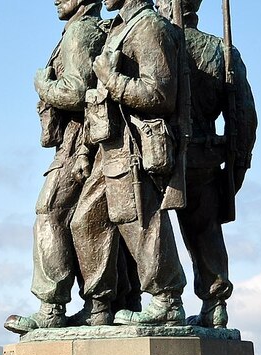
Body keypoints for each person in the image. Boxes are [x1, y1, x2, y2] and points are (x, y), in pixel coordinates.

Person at [70, 0, 188, 327]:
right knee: (85, 221)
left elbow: (161, 94)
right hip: (107, 145)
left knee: (141, 220)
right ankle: (98, 305)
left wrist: (113, 80)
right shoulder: (120, 28)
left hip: (134, 143)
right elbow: (95, 97)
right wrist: (84, 149)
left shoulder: (148, 27)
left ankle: (166, 300)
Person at [4, 0, 107, 334]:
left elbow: (77, 92)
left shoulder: (80, 31)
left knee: (50, 210)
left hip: (79, 140)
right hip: (87, 139)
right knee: (91, 219)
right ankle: (102, 304)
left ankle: (52, 307)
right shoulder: (87, 29)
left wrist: (43, 86)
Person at [156, 0, 257, 328]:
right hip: (205, 156)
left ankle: (157, 300)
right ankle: (214, 303)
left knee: (146, 227)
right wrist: (236, 168)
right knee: (205, 231)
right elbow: (243, 120)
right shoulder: (221, 52)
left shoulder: (157, 41)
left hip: (156, 157)